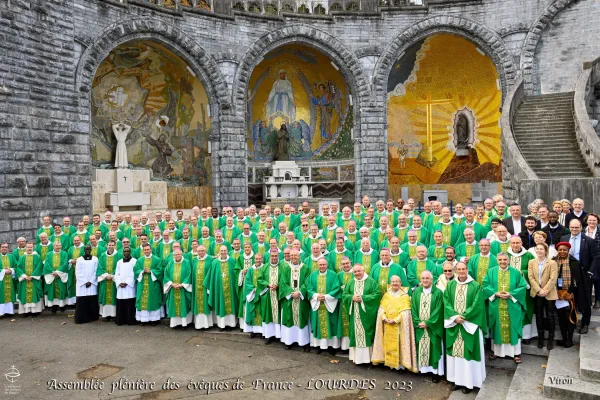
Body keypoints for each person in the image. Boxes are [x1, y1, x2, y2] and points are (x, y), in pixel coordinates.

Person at [444, 262, 487, 394]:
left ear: (467, 270)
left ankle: (468, 383)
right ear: (456, 271)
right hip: (455, 323)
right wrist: (454, 317)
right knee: (456, 354)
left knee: (468, 353)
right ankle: (457, 380)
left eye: (463, 269)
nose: (461, 271)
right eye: (459, 269)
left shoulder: (475, 285)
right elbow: (446, 301)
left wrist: (464, 317)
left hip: (469, 324)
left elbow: (477, 304)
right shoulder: (451, 284)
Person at [483, 252, 528, 364]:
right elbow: (484, 285)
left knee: (513, 326)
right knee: (497, 327)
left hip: (512, 305)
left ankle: (515, 353)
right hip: (497, 304)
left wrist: (511, 294)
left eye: (505, 260)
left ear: (508, 260)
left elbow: (522, 287)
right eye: (500, 260)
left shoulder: (516, 272)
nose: (502, 262)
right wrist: (495, 293)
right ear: (497, 260)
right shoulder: (491, 271)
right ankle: (496, 352)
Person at [372, 275, 417, 371]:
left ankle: (399, 365)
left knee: (400, 344)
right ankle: (389, 363)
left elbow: (406, 312)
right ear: (390, 283)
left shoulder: (404, 296)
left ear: (401, 283)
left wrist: (395, 320)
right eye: (393, 282)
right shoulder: (386, 295)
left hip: (399, 326)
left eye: (397, 282)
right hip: (387, 324)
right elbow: (381, 309)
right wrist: (384, 318)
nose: (395, 283)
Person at [560, 219, 597, 334]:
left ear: (581, 227)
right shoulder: (564, 238)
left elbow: (596, 257)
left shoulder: (589, 241)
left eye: (577, 227)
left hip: (584, 274)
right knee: (570, 298)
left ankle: (585, 324)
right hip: (568, 273)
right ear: (569, 227)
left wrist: (590, 272)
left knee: (585, 300)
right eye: (572, 227)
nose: (574, 229)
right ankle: (572, 322)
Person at [342, 264, 381, 365]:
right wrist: (352, 298)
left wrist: (363, 298)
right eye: (355, 272)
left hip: (366, 315)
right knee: (355, 333)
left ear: (363, 271)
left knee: (367, 333)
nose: (357, 273)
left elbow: (377, 295)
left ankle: (368, 359)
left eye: (359, 271)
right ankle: (357, 358)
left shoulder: (371, 281)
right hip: (355, 314)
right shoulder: (350, 282)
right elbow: (345, 295)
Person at [411, 271, 444, 382]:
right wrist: (417, 321)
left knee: (434, 347)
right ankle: (422, 369)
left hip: (433, 327)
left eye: (427, 278)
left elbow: (439, 310)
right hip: (419, 325)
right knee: (421, 346)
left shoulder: (438, 293)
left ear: (432, 280)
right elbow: (413, 308)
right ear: (420, 279)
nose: (425, 280)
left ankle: (435, 372)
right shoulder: (416, 292)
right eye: (423, 278)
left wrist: (428, 323)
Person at [307, 258, 341, 355]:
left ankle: (332, 347)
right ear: (318, 265)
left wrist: (326, 297)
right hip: (317, 303)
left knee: (331, 324)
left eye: (324, 264)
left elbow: (336, 288)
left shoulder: (333, 275)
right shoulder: (313, 275)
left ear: (327, 265)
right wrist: (316, 296)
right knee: (318, 324)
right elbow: (309, 288)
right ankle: (320, 346)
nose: (322, 266)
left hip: (329, 304)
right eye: (320, 265)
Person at [553, 242, 584, 348]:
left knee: (569, 317)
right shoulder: (553, 261)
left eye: (564, 250)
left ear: (568, 250)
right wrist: (556, 292)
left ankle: (569, 340)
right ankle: (564, 339)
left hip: (569, 293)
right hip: (556, 293)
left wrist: (570, 292)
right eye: (560, 250)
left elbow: (576, 279)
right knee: (560, 317)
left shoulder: (574, 262)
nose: (562, 251)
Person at [528, 243, 558, 349]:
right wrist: (539, 290)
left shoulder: (552, 263)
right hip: (537, 292)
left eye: (541, 249)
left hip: (549, 292)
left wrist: (544, 290)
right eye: (538, 249)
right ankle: (541, 338)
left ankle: (550, 339)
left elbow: (553, 278)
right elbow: (531, 277)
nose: (539, 251)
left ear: (546, 251)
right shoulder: (531, 262)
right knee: (539, 315)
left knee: (550, 316)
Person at [280, 249, 311, 351]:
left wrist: (300, 292)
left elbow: (307, 282)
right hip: (290, 298)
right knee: (289, 318)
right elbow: (283, 282)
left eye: (295, 255)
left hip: (301, 299)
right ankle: (289, 341)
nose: (293, 257)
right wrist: (291, 293)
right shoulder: (285, 268)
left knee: (302, 318)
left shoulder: (305, 268)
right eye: (291, 255)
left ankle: (304, 342)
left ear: (299, 256)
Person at [207, 245, 239, 330]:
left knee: (231, 304)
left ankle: (231, 324)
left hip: (230, 288)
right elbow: (211, 276)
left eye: (225, 250)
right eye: (222, 251)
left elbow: (237, 273)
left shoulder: (232, 261)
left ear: (228, 251)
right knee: (220, 303)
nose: (223, 252)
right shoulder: (215, 262)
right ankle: (222, 325)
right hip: (219, 289)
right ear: (219, 251)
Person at [133, 244, 164, 325]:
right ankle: (143, 320)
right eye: (145, 250)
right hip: (142, 283)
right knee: (142, 300)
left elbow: (160, 270)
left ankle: (154, 320)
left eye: (148, 249)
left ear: (151, 250)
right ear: (143, 251)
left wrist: (151, 271)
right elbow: (135, 270)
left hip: (153, 284)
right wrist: (142, 271)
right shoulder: (140, 260)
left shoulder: (157, 259)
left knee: (153, 300)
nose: (146, 251)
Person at [163, 249, 193, 329]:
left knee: (184, 305)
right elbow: (166, 274)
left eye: (179, 254)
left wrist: (182, 285)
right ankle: (174, 324)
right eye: (176, 254)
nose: (177, 256)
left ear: (182, 254)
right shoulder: (170, 263)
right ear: (173, 255)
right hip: (173, 288)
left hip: (183, 289)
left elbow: (189, 274)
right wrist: (171, 284)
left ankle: (184, 323)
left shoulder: (186, 263)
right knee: (173, 306)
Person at [260, 250, 283, 344]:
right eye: (272, 256)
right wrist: (268, 285)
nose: (274, 257)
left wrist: (278, 285)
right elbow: (260, 279)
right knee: (269, 314)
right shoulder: (264, 267)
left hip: (279, 294)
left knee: (278, 314)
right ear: (269, 256)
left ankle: (279, 335)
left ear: (278, 256)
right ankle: (269, 335)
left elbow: (286, 279)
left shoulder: (283, 267)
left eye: (275, 256)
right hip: (268, 295)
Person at [16, 242, 43, 316]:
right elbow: (18, 267)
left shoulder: (37, 256)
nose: (29, 248)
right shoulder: (22, 257)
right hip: (25, 280)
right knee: (25, 294)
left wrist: (32, 276)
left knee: (35, 293)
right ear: (26, 248)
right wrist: (24, 276)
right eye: (28, 247)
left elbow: (39, 267)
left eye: (31, 247)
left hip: (34, 279)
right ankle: (26, 311)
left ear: (33, 247)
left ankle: (35, 311)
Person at [97, 241, 122, 321]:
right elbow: (99, 267)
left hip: (114, 279)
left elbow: (120, 266)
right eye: (109, 245)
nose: (110, 246)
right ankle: (106, 315)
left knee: (114, 296)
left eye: (112, 245)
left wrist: (112, 275)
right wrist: (105, 275)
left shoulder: (119, 255)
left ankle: (114, 314)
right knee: (105, 296)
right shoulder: (102, 255)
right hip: (105, 279)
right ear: (107, 246)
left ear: (115, 246)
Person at [74, 245, 100, 324]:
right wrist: (85, 281)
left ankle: (93, 317)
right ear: (84, 250)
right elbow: (78, 272)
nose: (87, 250)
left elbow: (96, 271)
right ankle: (82, 318)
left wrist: (91, 281)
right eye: (86, 249)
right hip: (82, 284)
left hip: (92, 283)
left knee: (92, 300)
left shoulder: (95, 259)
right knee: (82, 301)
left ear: (91, 249)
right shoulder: (79, 259)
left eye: (89, 249)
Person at [43, 241, 69, 313]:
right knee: (52, 291)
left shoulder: (64, 253)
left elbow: (65, 264)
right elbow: (47, 264)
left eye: (59, 245)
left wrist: (58, 272)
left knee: (61, 290)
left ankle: (62, 306)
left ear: (61, 246)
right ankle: (53, 307)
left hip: (60, 275)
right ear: (53, 246)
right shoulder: (49, 254)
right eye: (56, 245)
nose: (57, 247)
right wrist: (53, 272)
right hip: (51, 275)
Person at [192, 245, 214, 330]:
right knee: (199, 305)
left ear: (205, 251)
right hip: (196, 286)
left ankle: (207, 324)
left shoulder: (210, 259)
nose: (201, 252)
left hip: (206, 286)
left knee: (206, 304)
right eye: (199, 251)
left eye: (202, 251)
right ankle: (199, 324)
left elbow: (212, 272)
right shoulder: (194, 260)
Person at [114, 248, 137, 326]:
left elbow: (134, 273)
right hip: (121, 287)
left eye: (128, 251)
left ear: (130, 252)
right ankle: (120, 320)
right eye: (124, 251)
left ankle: (130, 320)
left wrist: (127, 283)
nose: (126, 253)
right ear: (122, 253)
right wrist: (119, 282)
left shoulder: (134, 261)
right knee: (121, 303)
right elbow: (116, 274)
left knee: (130, 303)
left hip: (130, 287)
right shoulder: (119, 262)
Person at [583, 213, 600, 309]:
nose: (592, 222)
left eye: (594, 220)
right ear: (586, 221)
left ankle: (598, 300)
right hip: (586, 259)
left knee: (597, 280)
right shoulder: (582, 231)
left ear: (597, 221)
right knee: (587, 280)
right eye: (590, 220)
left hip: (598, 258)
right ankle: (587, 300)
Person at [0, 243, 16, 317]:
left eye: (6, 247)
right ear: (0, 248)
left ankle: (9, 312)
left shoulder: (11, 256)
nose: (4, 248)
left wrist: (12, 270)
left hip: (9, 280)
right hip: (1, 281)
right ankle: (1, 313)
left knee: (9, 295)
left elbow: (16, 266)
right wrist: (3, 271)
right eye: (3, 247)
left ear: (8, 249)